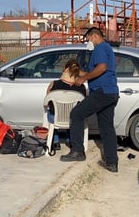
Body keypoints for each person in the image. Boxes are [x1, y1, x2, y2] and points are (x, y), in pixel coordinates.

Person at [60, 27, 120, 173]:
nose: (88, 43)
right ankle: (112, 162)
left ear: (94, 36)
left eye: (88, 39)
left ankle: (78, 151)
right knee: (107, 128)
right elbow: (95, 71)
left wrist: (82, 78)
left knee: (76, 114)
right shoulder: (107, 48)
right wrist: (76, 71)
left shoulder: (99, 48)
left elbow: (102, 68)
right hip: (110, 92)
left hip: (101, 92)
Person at [45, 59, 86, 150]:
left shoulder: (53, 84)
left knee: (52, 113)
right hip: (74, 119)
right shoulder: (82, 87)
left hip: (55, 118)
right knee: (71, 113)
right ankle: (69, 139)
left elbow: (47, 103)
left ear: (65, 69)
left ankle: (55, 141)